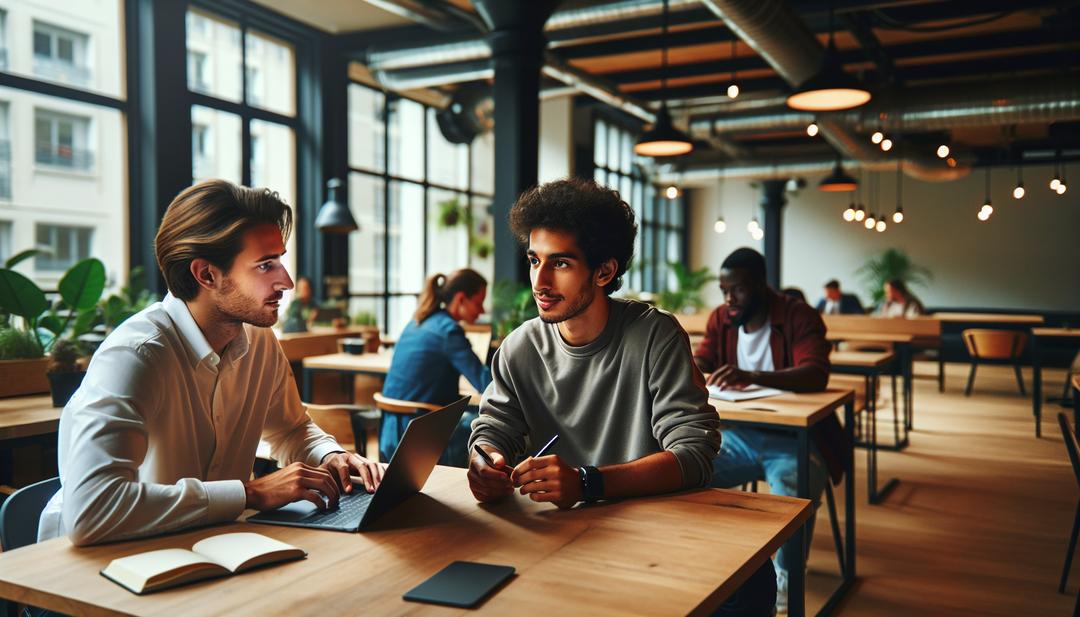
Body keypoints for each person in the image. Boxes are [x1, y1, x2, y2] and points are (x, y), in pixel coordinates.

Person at [467, 178, 775, 616]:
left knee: (753, 578)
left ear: (605, 271)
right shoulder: (520, 347)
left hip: (654, 531)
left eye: (561, 263)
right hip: (559, 537)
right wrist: (486, 460)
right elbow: (492, 429)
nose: (539, 279)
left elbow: (693, 456)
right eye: (535, 259)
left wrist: (587, 481)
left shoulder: (655, 336)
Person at [38, 179, 384, 546]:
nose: (286, 281)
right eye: (266, 265)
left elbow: (290, 430)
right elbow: (92, 511)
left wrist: (331, 455)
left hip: (210, 546)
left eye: (280, 261)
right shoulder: (136, 355)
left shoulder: (260, 341)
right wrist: (250, 494)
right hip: (100, 569)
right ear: (206, 275)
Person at [694, 247, 847, 615]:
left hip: (797, 441)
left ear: (762, 285)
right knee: (687, 469)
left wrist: (750, 375)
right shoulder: (722, 318)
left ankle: (784, 585)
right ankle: (710, 568)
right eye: (724, 290)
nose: (729, 299)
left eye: (739, 290)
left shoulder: (798, 316)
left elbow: (816, 372)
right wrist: (694, 367)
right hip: (737, 435)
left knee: (796, 483)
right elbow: (703, 358)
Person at [380, 268, 491, 465]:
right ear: (460, 299)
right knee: (494, 428)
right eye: (478, 303)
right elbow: (486, 384)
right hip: (419, 437)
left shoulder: (417, 322)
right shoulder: (449, 331)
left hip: (389, 435)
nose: (482, 311)